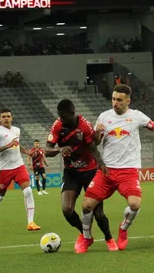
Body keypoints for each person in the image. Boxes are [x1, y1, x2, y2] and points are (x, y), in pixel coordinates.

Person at [78, 84, 154, 253]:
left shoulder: (137, 116)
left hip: (128, 170)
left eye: (119, 100)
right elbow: (96, 143)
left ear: (128, 101)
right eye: (113, 99)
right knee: (86, 205)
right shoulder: (104, 117)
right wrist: (97, 133)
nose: (115, 103)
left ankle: (124, 228)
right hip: (106, 170)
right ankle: (86, 238)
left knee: (135, 204)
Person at [46, 99, 117, 252]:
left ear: (72, 113)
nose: (61, 119)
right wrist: (60, 149)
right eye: (59, 116)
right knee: (67, 209)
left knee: (98, 213)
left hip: (90, 172)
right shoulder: (58, 125)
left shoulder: (84, 126)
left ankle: (109, 238)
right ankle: (85, 235)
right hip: (71, 172)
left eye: (63, 116)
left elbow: (93, 149)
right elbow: (47, 151)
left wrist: (102, 164)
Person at [0, 108, 39, 233]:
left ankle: (30, 222)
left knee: (28, 191)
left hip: (18, 166)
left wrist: (27, 152)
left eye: (8, 116)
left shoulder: (16, 130)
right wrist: (7, 146)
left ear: (12, 117)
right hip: (4, 168)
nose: (6, 118)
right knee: (0, 196)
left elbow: (17, 145)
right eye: (3, 116)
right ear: (0, 119)